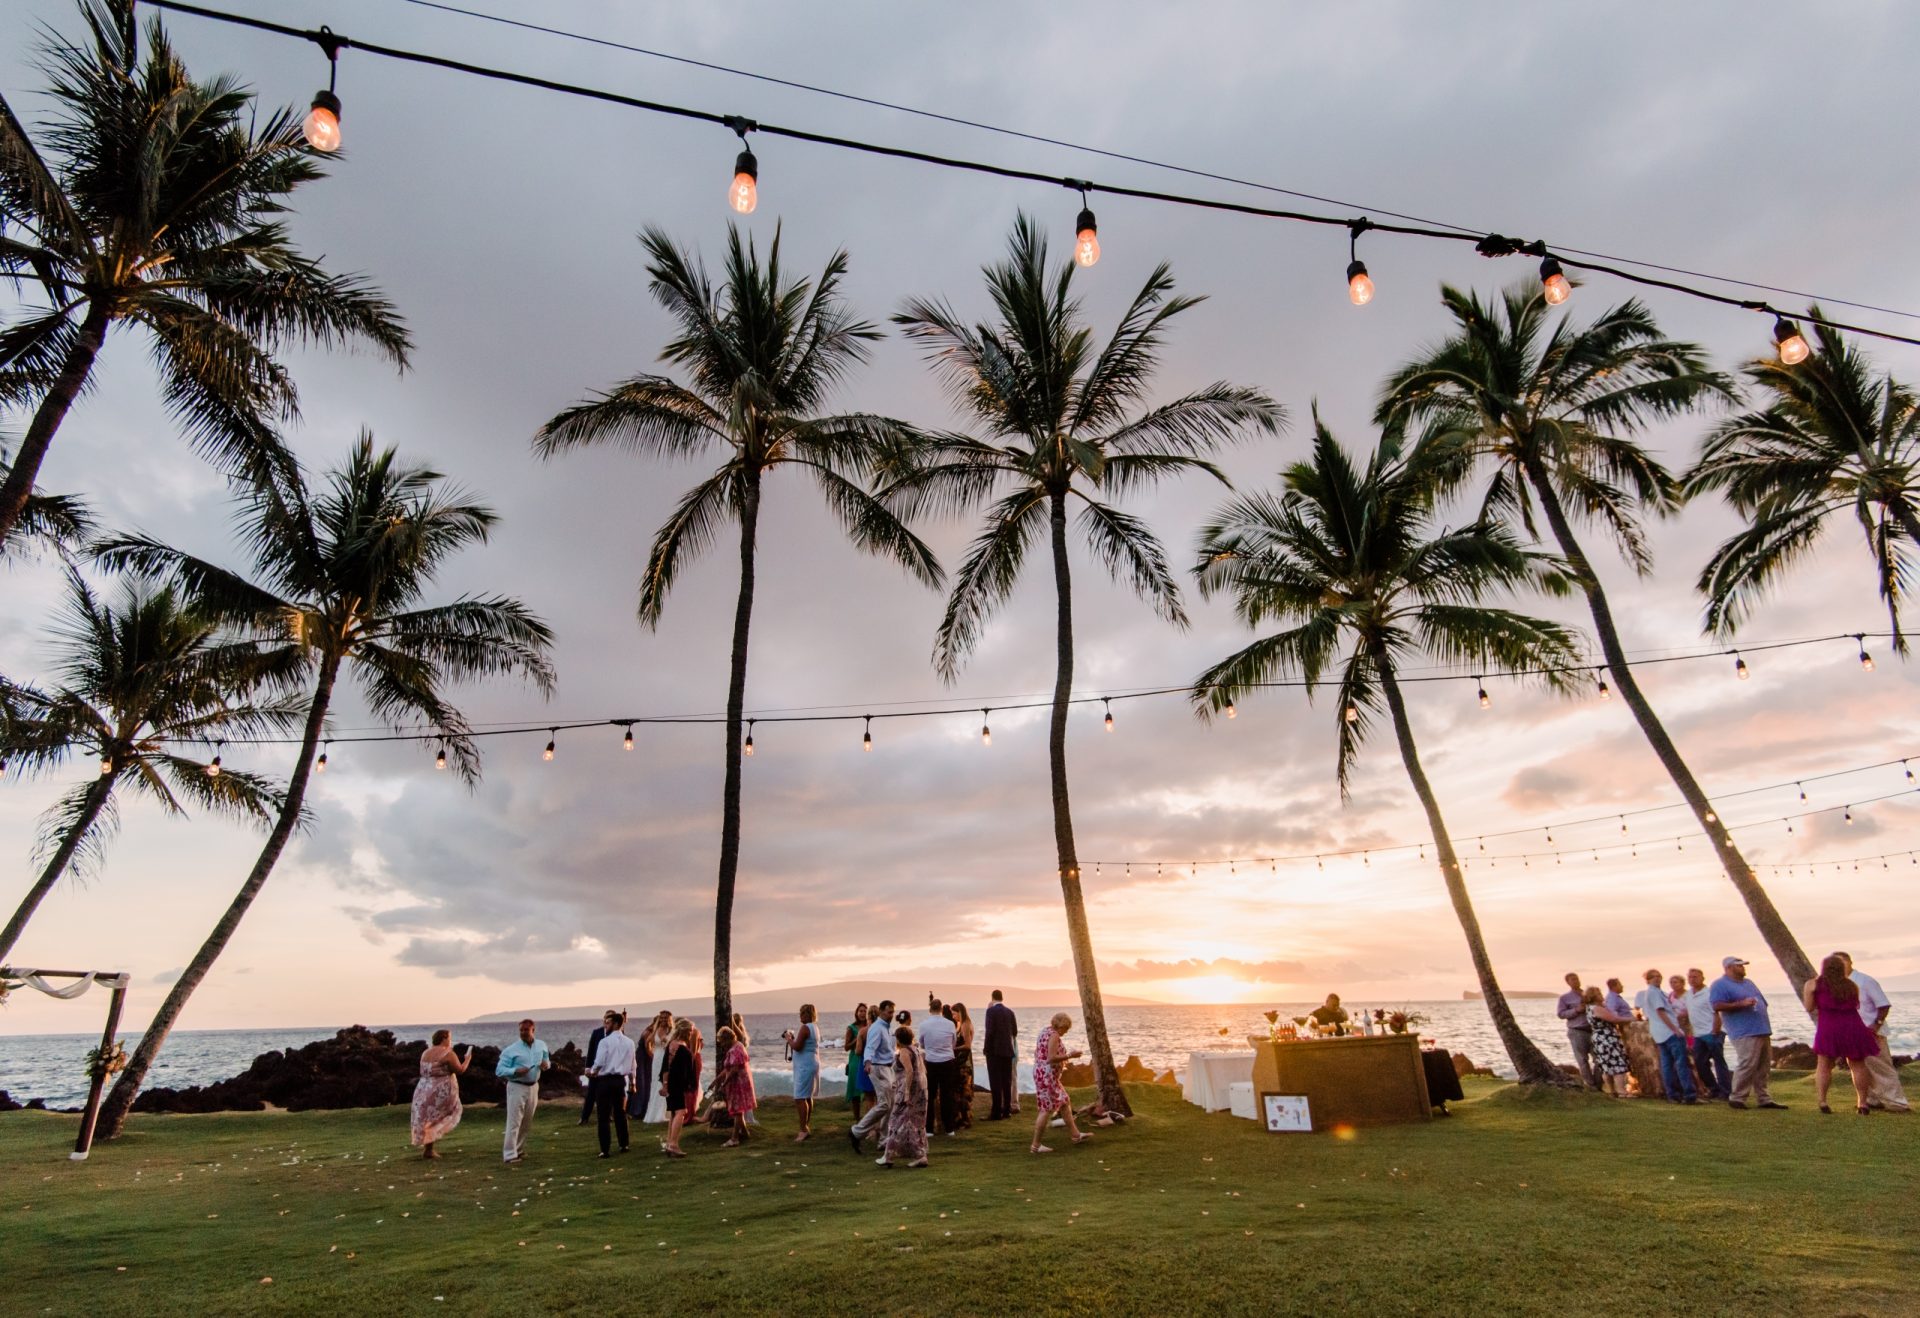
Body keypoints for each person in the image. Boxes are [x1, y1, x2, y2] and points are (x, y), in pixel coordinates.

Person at [1803, 953, 1880, 1115]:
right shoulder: (1852, 985)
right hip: (1853, 1026)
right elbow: (1856, 1005)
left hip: (1828, 1027)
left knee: (1824, 1066)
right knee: (1858, 1065)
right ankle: (1862, 1103)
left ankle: (1823, 1101)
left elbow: (1809, 1007)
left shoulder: (1813, 984)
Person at [1709, 957, 1787, 1110]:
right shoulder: (1720, 984)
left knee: (1763, 1066)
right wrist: (1740, 1004)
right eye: (1739, 966)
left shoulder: (1748, 983)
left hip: (1761, 1029)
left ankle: (1764, 1099)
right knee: (1747, 1064)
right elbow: (1716, 1005)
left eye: (1743, 965)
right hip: (1744, 1031)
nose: (1743, 968)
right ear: (1729, 968)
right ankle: (1737, 1098)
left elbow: (1762, 1001)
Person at [1841, 951, 1911, 1113]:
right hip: (1853, 1033)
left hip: (1872, 1032)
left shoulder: (1865, 981)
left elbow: (1883, 1005)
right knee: (1861, 1068)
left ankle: (1897, 1103)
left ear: (1850, 962)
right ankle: (1872, 1100)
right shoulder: (1841, 984)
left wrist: (1876, 1025)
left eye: (1842, 962)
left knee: (1882, 1068)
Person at [1030, 1012, 1092, 1153]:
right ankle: (1035, 1146)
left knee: (1064, 1101)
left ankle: (1076, 1135)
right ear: (1061, 1026)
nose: (1066, 1032)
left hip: (1041, 1073)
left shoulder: (1044, 1031)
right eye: (1066, 1028)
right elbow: (1051, 1058)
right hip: (1047, 1077)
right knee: (1046, 1109)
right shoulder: (1054, 1035)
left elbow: (1037, 1053)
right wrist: (1070, 1055)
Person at [1635, 969, 1697, 1104]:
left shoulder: (1656, 992)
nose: (1657, 978)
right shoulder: (1654, 993)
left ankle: (1673, 1094)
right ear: (1648, 980)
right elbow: (1660, 1012)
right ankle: (1689, 1094)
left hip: (1660, 1033)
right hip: (1668, 1032)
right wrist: (1675, 1029)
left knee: (1667, 1064)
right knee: (1680, 1063)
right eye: (1653, 977)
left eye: (1659, 976)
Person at [410, 1029, 472, 1159]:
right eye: (449, 1038)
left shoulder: (425, 1052)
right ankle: (429, 1150)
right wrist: (467, 1059)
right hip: (440, 1090)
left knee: (428, 1117)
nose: (450, 1040)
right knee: (442, 1115)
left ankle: (428, 1149)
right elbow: (460, 1070)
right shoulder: (448, 1053)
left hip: (423, 1088)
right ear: (444, 1038)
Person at [495, 1019, 551, 1163]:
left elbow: (547, 1060)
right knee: (514, 1121)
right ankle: (509, 1155)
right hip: (517, 1086)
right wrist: (515, 1070)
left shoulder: (541, 1045)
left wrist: (546, 1065)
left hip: (533, 1086)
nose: (523, 1033)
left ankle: (518, 1150)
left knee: (527, 1121)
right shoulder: (511, 1050)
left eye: (526, 1030)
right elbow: (499, 1070)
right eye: (521, 1030)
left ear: (533, 1030)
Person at [848, 999, 897, 1152]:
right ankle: (856, 1131)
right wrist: (867, 1062)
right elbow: (869, 1047)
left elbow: (889, 1050)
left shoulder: (887, 1028)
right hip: (878, 1068)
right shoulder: (877, 1028)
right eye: (889, 1012)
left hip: (888, 1068)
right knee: (884, 1104)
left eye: (893, 1012)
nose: (891, 1015)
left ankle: (884, 1140)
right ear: (882, 1012)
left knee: (890, 1104)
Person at [586, 1010, 637, 1157]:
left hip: (605, 1081)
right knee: (620, 1113)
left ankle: (605, 1149)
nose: (605, 1025)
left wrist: (592, 1071)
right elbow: (633, 1065)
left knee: (603, 1115)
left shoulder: (605, 1042)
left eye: (608, 1023)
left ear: (615, 1024)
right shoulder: (629, 1042)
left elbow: (600, 1061)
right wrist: (633, 1083)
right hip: (620, 1081)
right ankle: (624, 1144)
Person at [879, 1023, 929, 1168]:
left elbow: (909, 1071)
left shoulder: (904, 1052)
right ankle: (920, 1154)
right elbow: (922, 1070)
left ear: (899, 1039)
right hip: (921, 1089)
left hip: (909, 1090)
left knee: (896, 1120)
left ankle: (888, 1156)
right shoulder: (916, 1050)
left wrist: (906, 1091)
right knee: (917, 1122)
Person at [1681, 967, 1732, 1100]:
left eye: (1695, 977)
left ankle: (1726, 1092)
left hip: (1712, 1032)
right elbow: (1689, 1013)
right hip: (1698, 1034)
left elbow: (1717, 1013)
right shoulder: (1688, 995)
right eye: (1690, 977)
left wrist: (1715, 1031)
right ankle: (1713, 1089)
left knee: (1719, 1062)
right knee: (1700, 1063)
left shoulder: (1709, 993)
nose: (1692, 979)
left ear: (1702, 978)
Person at [919, 996, 960, 1136]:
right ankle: (949, 1128)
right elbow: (953, 1042)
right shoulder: (950, 1024)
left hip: (931, 1062)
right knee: (947, 1094)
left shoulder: (924, 1025)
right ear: (941, 1009)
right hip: (947, 1061)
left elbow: (922, 1044)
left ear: (930, 1009)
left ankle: (929, 1128)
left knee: (930, 1095)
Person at [1582, 986, 1633, 1098]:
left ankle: (1612, 1090)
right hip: (1606, 1037)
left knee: (1606, 1065)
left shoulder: (1590, 1008)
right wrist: (1630, 1019)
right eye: (1599, 993)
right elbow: (1614, 1019)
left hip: (1599, 1038)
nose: (1602, 995)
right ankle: (1622, 1091)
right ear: (1594, 996)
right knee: (1617, 1064)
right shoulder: (1596, 1008)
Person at [714, 1026, 757, 1146]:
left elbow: (734, 1070)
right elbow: (728, 1069)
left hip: (738, 1083)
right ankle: (744, 1132)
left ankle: (734, 1138)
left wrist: (724, 1083)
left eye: (722, 1042)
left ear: (727, 1039)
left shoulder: (735, 1050)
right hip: (740, 1082)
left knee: (738, 1110)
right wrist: (716, 1081)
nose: (722, 1045)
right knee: (738, 1109)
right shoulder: (738, 1046)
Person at [660, 1018, 697, 1158]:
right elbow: (670, 1068)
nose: (691, 1034)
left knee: (674, 1112)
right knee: (681, 1112)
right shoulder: (679, 1047)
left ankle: (670, 1142)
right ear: (685, 1031)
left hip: (672, 1083)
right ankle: (673, 1144)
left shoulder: (672, 1044)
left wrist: (665, 1085)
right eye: (690, 1031)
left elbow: (666, 1068)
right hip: (677, 1084)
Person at [785, 1003, 821, 1142]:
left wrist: (789, 1039)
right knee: (807, 1096)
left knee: (800, 1098)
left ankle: (803, 1129)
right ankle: (806, 1125)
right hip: (811, 1062)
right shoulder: (815, 1027)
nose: (800, 1016)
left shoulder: (805, 1027)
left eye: (802, 1013)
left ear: (807, 1014)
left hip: (805, 1065)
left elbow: (798, 1046)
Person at [1557, 972, 1599, 1090]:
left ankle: (1598, 1083)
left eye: (1577, 979)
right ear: (1568, 982)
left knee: (1599, 1059)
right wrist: (1576, 1010)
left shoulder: (1587, 994)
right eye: (1573, 979)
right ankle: (1590, 1085)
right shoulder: (1564, 998)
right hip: (1577, 1031)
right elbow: (1561, 1014)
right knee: (1582, 1060)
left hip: (1593, 1030)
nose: (1576, 981)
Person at [579, 1009, 621, 1127]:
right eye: (606, 1018)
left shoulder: (618, 1035)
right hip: (596, 1069)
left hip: (610, 1070)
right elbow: (591, 1050)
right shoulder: (597, 1032)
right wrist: (588, 1067)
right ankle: (584, 1117)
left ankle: (609, 1115)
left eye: (610, 1018)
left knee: (610, 1094)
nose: (607, 1020)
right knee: (591, 1093)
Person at [983, 990, 1019, 1120]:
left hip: (994, 1052)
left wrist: (986, 1048)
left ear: (992, 998)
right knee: (1006, 1081)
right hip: (1008, 1051)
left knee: (995, 1082)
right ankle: (1007, 1111)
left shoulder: (990, 1011)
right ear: (1002, 998)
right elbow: (1015, 1031)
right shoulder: (1010, 1012)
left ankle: (996, 1112)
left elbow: (989, 1031)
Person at [638, 1011, 673, 1124]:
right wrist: (652, 1054)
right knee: (656, 1083)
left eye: (665, 1018)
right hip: (657, 1058)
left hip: (668, 1058)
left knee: (667, 1082)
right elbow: (647, 1043)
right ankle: (655, 1113)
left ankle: (667, 1111)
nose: (663, 1020)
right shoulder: (656, 1030)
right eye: (661, 1018)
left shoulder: (672, 1031)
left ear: (669, 1019)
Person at [949, 1002, 976, 1131]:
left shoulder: (965, 1024)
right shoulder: (961, 1024)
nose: (953, 1017)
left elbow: (967, 1045)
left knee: (964, 1091)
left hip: (964, 1062)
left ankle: (965, 1121)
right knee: (959, 1091)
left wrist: (953, 1049)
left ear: (959, 1012)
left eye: (954, 1014)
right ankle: (960, 1118)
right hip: (960, 1061)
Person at [844, 1004, 871, 1120]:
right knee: (856, 1092)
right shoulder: (851, 1028)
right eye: (860, 1011)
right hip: (855, 1060)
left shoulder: (871, 1027)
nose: (862, 1013)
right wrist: (858, 1038)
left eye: (865, 1011)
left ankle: (868, 1119)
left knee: (869, 1091)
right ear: (856, 1013)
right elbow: (846, 1047)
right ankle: (857, 1119)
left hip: (868, 1059)